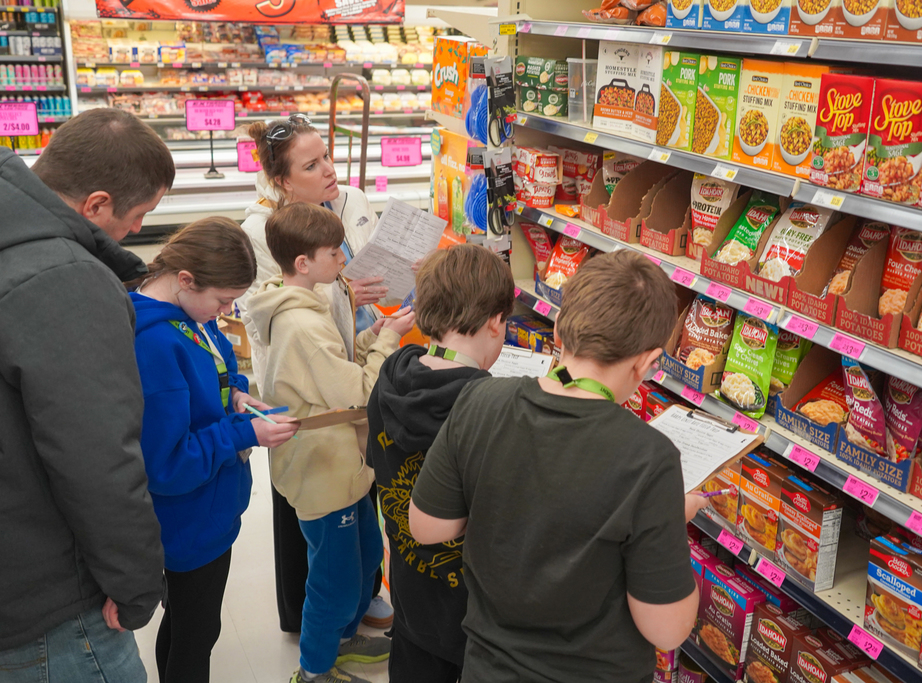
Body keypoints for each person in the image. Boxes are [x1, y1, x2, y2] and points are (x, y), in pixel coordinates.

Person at [410, 250, 708, 683]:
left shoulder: (479, 399)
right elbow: (666, 630)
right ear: (647, 362)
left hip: (485, 670)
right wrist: (662, 521)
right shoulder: (649, 457)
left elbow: (428, 527)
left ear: (558, 330)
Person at [0, 109, 174, 682]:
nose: (137, 231)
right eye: (138, 216)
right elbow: (97, 458)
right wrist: (136, 586)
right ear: (95, 204)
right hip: (48, 603)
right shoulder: (62, 280)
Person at [246, 202, 415, 683]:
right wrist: (388, 343)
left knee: (364, 558)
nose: (345, 259)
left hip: (345, 463)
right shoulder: (300, 323)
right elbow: (357, 389)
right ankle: (315, 669)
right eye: (335, 252)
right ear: (303, 263)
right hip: (324, 467)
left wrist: (372, 335)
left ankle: (342, 639)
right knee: (335, 581)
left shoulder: (310, 303)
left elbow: (334, 367)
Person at [240, 115, 392, 633]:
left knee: (356, 485)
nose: (329, 169)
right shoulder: (261, 229)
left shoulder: (351, 201)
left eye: (327, 155)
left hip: (354, 362)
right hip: (302, 387)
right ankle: (311, 617)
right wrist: (343, 291)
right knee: (312, 503)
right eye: (312, 164)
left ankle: (360, 595)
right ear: (282, 181)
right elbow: (262, 314)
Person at [130, 218, 299, 683]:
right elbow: (167, 464)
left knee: (189, 623)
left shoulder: (189, 316)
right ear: (185, 280)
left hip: (209, 509)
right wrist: (245, 435)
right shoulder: (156, 344)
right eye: (223, 300)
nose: (227, 310)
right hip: (187, 522)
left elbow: (219, 361)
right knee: (197, 632)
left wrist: (238, 396)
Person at [366, 244, 515, 683]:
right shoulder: (491, 407)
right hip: (476, 614)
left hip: (410, 591)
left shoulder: (392, 373)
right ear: (494, 321)